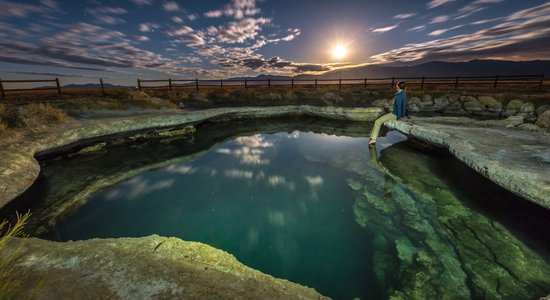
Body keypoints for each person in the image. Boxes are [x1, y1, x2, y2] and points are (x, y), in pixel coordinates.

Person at [368, 81, 407, 145]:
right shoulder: (403, 93)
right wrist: (403, 115)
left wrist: (399, 117)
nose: (396, 86)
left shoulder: (400, 95)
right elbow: (404, 106)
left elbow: (400, 107)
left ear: (398, 86)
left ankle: (373, 139)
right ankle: (372, 137)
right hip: (396, 113)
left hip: (395, 114)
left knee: (377, 121)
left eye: (397, 85)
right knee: (378, 121)